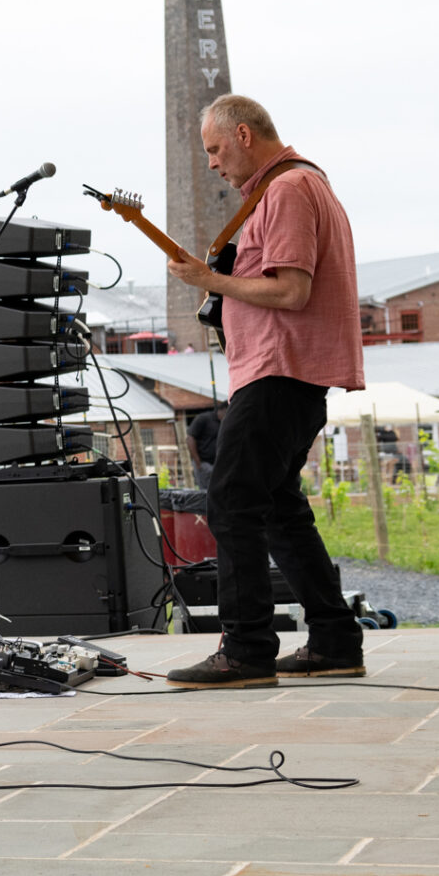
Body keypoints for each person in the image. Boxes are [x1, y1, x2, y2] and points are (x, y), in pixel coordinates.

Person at [163, 94, 365, 687]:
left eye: (216, 148)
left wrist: (210, 280)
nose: (212, 163)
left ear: (245, 135)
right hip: (285, 371)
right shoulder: (293, 187)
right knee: (278, 507)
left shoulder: (287, 191)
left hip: (280, 369)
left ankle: (246, 649)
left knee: (230, 501)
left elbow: (291, 291)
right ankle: (333, 639)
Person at [188, 407, 223, 490]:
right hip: (204, 463)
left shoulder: (221, 423)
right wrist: (198, 463)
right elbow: (190, 439)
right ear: (223, 409)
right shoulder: (203, 419)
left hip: (217, 464)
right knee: (205, 492)